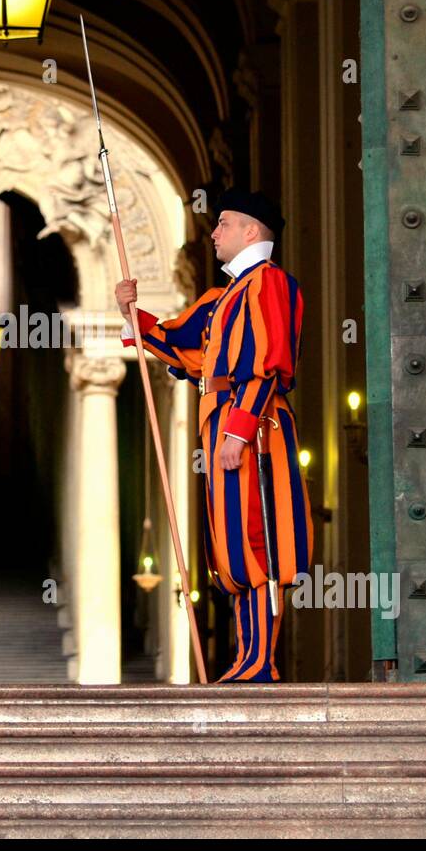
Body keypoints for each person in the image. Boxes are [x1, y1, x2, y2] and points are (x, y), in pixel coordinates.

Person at [115, 187, 312, 682]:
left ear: (251, 230)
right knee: (230, 548)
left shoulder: (270, 284)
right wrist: (130, 313)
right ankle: (248, 655)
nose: (215, 232)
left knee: (259, 537)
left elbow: (267, 366)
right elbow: (182, 347)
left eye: (223, 223)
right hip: (222, 423)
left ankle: (261, 660)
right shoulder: (221, 297)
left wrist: (239, 432)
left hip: (254, 428)